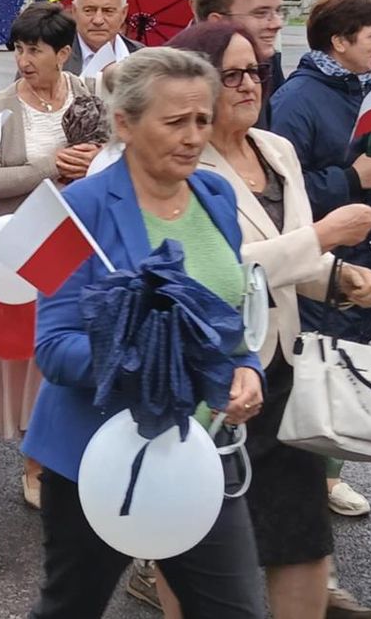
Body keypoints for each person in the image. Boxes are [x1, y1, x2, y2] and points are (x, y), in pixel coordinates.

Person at [24, 47, 266, 619]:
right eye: (175, 121)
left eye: (202, 119)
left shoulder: (217, 196)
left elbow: (227, 315)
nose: (194, 137)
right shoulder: (76, 209)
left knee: (236, 610)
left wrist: (246, 366)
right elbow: (53, 348)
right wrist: (149, 358)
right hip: (94, 455)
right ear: (125, 124)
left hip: (197, 451)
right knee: (70, 609)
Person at [172, 20, 371, 619]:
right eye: (231, 74)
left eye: (256, 71)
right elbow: (218, 271)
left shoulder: (277, 150)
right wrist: (323, 238)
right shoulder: (184, 163)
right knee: (200, 544)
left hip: (284, 369)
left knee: (302, 537)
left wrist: (339, 279)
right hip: (214, 376)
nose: (249, 84)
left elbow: (287, 261)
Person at [270, 0, 371, 546]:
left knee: (350, 370)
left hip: (370, 259)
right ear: (339, 41)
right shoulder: (297, 99)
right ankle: (301, 487)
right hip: (323, 265)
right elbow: (283, 194)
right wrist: (353, 179)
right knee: (316, 374)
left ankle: (327, 478)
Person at [0, 3, 92, 510]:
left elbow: (120, 157)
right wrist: (50, 166)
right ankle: (35, 464)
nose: (24, 61)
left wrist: (96, 160)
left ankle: (73, 458)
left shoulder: (89, 94)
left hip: (83, 243)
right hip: (24, 250)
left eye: (34, 50)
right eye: (19, 50)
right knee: (34, 356)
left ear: (63, 54)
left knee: (76, 352)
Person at [190, 0, 289, 125]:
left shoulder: (264, 65)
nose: (277, 24)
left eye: (278, 11)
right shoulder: (176, 79)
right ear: (217, 23)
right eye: (261, 13)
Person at [68, 0, 143, 78]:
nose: (98, 20)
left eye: (108, 11)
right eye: (89, 10)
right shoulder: (55, 57)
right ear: (74, 11)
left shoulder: (143, 60)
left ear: (123, 13)